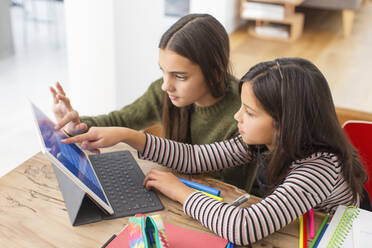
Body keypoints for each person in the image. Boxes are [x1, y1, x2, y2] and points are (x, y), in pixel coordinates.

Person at [61, 57, 368, 245]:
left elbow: (244, 227)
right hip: (298, 224)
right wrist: (130, 137)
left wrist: (180, 191)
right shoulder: (263, 140)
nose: (237, 117)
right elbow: (196, 157)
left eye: (248, 111)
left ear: (284, 124)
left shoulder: (318, 169)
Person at [50, 14, 259, 192]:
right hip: (177, 192)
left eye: (180, 76)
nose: (165, 86)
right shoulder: (165, 92)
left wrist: (176, 187)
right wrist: (74, 125)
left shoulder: (244, 117)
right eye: (163, 71)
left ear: (213, 74)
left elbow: (232, 193)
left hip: (211, 209)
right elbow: (120, 120)